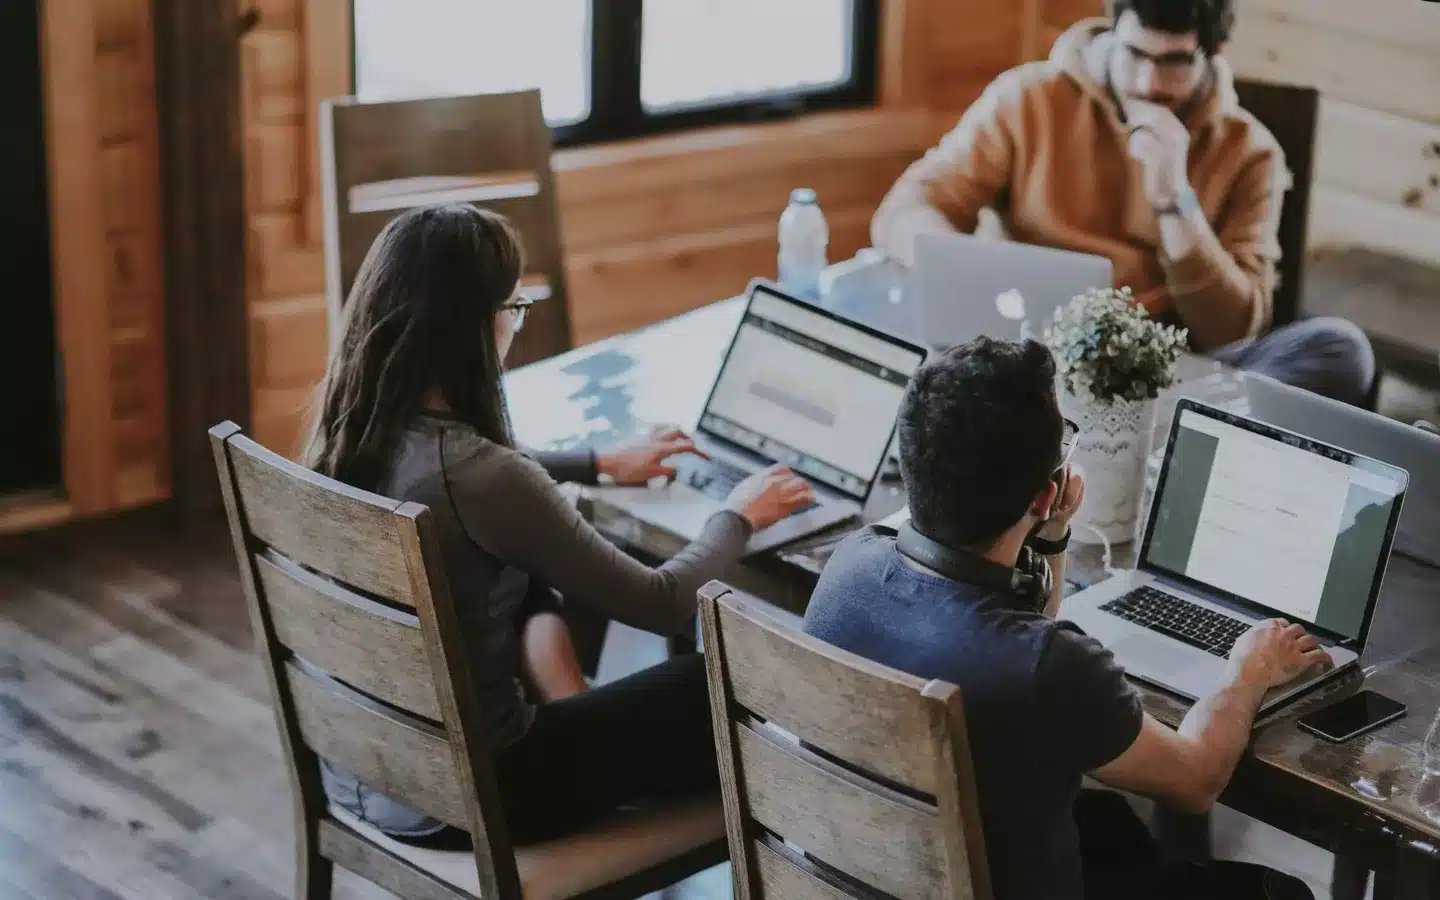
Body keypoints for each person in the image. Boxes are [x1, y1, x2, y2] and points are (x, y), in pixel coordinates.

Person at [303, 204, 815, 847]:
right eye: (513, 308)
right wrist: (738, 513)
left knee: (530, 581)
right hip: (483, 794)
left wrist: (598, 463)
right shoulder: (483, 478)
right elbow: (658, 603)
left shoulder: (351, 430)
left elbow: (474, 479)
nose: (515, 324)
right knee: (715, 679)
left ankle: (578, 708)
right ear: (479, 326)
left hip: (365, 770)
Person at [803, 337, 1322, 899]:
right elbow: (1197, 780)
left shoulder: (847, 567)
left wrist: (1049, 538)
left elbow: (1020, 632)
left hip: (863, 876)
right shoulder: (1048, 666)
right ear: (1047, 493)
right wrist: (1246, 672)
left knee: (1110, 827)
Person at [872, 0, 1374, 407]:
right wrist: (962, 273)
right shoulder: (1027, 99)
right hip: (1027, 356)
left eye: (1175, 61)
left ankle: (1163, 440)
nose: (1148, 84)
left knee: (1341, 350)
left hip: (1165, 380)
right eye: (1134, 53)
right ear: (1113, 30)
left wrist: (1175, 201)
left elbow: (1233, 330)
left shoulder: (1250, 152)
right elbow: (906, 209)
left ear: (1214, 51)